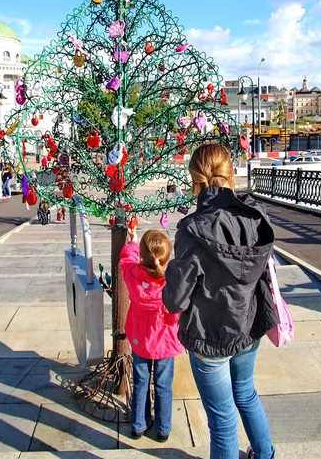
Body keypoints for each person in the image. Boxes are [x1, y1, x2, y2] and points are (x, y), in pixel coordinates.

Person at [163, 143, 278, 459]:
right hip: (249, 325)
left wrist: (171, 272)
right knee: (246, 393)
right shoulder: (256, 217)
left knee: (223, 418)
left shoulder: (192, 229)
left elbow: (175, 301)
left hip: (210, 334)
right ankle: (265, 455)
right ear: (230, 174)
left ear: (196, 181)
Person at [120, 227, 184, 442]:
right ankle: (163, 428)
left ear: (142, 255)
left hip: (140, 339)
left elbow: (126, 259)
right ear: (165, 259)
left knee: (140, 381)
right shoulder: (170, 283)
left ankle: (139, 424)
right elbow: (176, 314)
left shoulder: (132, 274)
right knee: (163, 384)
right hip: (164, 342)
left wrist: (132, 239)